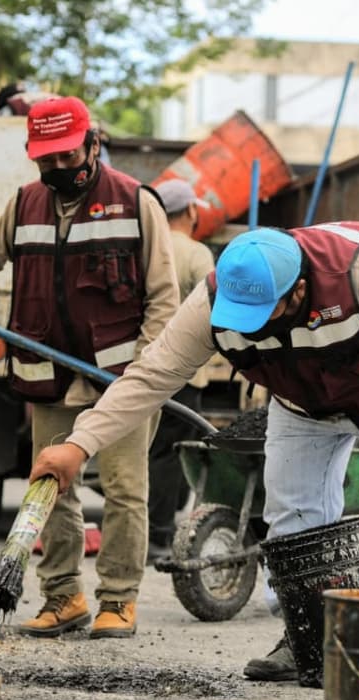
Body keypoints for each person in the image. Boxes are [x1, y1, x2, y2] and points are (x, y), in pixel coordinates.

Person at [31, 221, 359, 680]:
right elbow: (151, 376)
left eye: (260, 312)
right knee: (291, 513)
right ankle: (304, 637)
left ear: (298, 290)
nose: (246, 326)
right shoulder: (211, 306)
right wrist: (80, 444)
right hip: (303, 404)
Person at [0, 96, 179, 640]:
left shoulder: (135, 203)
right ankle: (63, 597)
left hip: (121, 380)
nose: (55, 169)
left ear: (93, 146)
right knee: (50, 486)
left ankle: (118, 599)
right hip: (47, 371)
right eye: (44, 159)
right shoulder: (25, 204)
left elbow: (164, 301)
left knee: (123, 490)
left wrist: (145, 374)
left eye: (66, 157)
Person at [145, 179, 215, 560]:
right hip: (184, 371)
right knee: (176, 450)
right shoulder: (196, 253)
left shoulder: (146, 246)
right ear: (190, 210)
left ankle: (153, 527)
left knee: (153, 449)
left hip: (143, 366)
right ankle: (159, 533)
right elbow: (214, 303)